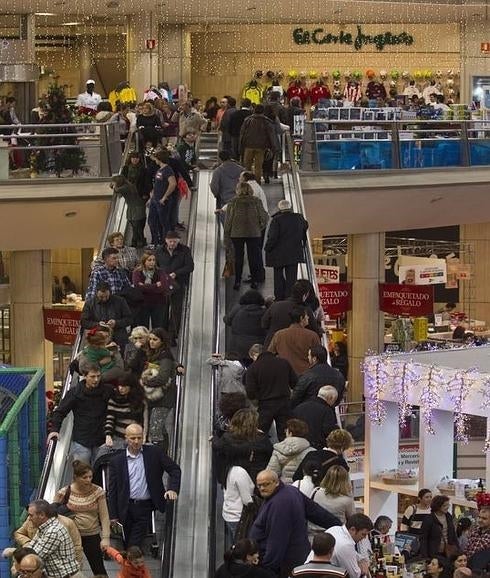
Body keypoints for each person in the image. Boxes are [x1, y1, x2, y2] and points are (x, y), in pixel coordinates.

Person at [249, 470, 341, 577]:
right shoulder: (291, 491)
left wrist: (266, 568)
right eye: (259, 485)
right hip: (297, 557)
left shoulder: (279, 504)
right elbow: (316, 512)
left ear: (277, 482)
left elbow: (277, 540)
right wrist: (338, 525)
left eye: (266, 484)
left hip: (284, 563)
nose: (262, 488)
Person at [108, 423, 181, 548]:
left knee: (134, 544)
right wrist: (113, 515)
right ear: (126, 438)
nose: (136, 441)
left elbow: (175, 469)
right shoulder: (117, 461)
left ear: (143, 437)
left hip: (145, 506)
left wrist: (172, 489)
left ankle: (132, 558)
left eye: (139, 438)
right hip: (126, 507)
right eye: (132, 438)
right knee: (127, 543)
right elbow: (113, 490)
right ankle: (131, 563)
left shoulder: (154, 453)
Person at [47, 364, 113, 464]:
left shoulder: (107, 391)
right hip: (82, 440)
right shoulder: (75, 393)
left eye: (98, 376)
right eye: (92, 376)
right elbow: (60, 411)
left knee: (99, 473)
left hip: (101, 439)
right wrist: (55, 429)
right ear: (85, 376)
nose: (96, 380)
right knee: (82, 473)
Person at [54, 460, 110, 576]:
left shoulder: (98, 491)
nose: (88, 480)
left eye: (90, 477)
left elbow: (104, 517)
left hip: (92, 535)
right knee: (71, 571)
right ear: (76, 477)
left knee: (98, 568)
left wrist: (105, 538)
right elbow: (53, 515)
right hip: (70, 537)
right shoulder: (64, 492)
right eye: (84, 477)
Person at [245, 343, 297, 440]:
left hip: (265, 405)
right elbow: (295, 382)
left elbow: (250, 393)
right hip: (284, 403)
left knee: (260, 434)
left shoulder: (253, 368)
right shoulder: (284, 363)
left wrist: (259, 396)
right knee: (286, 434)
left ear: (255, 354)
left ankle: (263, 454)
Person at [142, 327, 182, 449]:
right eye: (150, 339)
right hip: (154, 397)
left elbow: (163, 378)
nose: (151, 342)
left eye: (155, 339)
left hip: (164, 398)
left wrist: (144, 381)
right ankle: (163, 454)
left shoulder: (165, 356)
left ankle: (160, 456)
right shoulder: (153, 353)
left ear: (162, 341)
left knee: (155, 429)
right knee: (159, 428)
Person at [224, 181, 268, 291]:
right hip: (254, 233)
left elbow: (228, 220)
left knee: (238, 257)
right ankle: (254, 281)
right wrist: (260, 227)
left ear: (238, 190)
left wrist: (227, 234)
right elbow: (264, 217)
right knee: (253, 257)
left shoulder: (233, 202)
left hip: (237, 233)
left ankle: (237, 281)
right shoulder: (256, 201)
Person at [213, 408, 273, 488]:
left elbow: (219, 447)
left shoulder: (228, 439)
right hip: (256, 479)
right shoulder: (262, 440)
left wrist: (214, 439)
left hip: (234, 479)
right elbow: (270, 456)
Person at [24, 500, 83, 578]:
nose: (29, 519)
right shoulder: (43, 528)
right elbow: (31, 547)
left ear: (42, 515)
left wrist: (13, 552)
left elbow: (34, 557)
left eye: (31, 515)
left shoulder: (53, 531)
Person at [156, 230, 194, 342]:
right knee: (162, 309)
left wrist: (176, 273)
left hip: (178, 284)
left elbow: (190, 266)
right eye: (170, 241)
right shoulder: (159, 251)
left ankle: (172, 335)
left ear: (178, 241)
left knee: (176, 310)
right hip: (164, 284)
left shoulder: (185, 250)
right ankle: (161, 334)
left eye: (174, 241)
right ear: (166, 241)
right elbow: (155, 266)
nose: (172, 244)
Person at [261, 280, 320, 347]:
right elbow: (315, 331)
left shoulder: (276, 305)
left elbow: (264, 324)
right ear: (305, 295)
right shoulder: (306, 311)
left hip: (271, 347)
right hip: (292, 349)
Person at [13, 511, 83, 567]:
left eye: (31, 515)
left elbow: (77, 547)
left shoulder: (57, 529)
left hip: (59, 566)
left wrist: (77, 566)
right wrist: (27, 542)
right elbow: (18, 533)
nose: (30, 518)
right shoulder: (32, 520)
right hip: (39, 561)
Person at [268, 306, 321, 375]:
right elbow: (319, 355)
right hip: (306, 373)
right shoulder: (312, 335)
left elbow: (269, 353)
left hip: (284, 373)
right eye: (306, 316)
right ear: (301, 318)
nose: (308, 317)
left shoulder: (279, 334)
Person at [81, 281, 133, 350]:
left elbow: (129, 319)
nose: (104, 299)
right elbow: (84, 322)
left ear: (110, 292)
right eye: (101, 297)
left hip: (118, 337)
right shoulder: (90, 304)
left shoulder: (120, 301)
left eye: (106, 296)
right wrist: (97, 324)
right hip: (98, 339)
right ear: (96, 293)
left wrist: (116, 323)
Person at [105, 373, 147, 450]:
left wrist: (144, 438)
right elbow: (110, 419)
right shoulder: (114, 399)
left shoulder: (139, 401)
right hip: (118, 439)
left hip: (135, 439)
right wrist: (108, 435)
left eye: (124, 386)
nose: (121, 388)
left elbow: (144, 421)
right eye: (119, 385)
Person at [266, 418, 315, 484]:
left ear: (290, 433)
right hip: (303, 488)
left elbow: (271, 474)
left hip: (284, 489)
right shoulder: (312, 452)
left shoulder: (279, 450)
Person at [324, 514, 373, 578]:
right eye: (363, 534)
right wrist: (363, 568)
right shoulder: (346, 544)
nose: (364, 538)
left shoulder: (335, 528)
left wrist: (362, 560)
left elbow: (353, 554)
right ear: (353, 529)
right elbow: (354, 575)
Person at [240, 104, 279, 184]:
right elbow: (271, 135)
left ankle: (246, 183)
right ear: (263, 111)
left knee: (247, 166)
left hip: (248, 146)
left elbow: (242, 134)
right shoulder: (267, 121)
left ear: (254, 110)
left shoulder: (247, 120)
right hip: (261, 147)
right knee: (258, 167)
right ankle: (257, 183)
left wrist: (240, 146)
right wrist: (274, 148)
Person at [224, 290, 266, 361]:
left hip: (237, 348)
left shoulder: (238, 308)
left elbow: (228, 320)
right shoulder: (264, 312)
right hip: (257, 349)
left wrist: (225, 317)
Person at [293, 386, 339, 450]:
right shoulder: (327, 410)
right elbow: (328, 430)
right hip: (318, 448)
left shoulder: (299, 408)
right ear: (330, 398)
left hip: (299, 446)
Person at [148, 148, 177, 246]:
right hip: (155, 199)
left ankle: (166, 242)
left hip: (163, 201)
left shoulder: (168, 170)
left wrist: (165, 197)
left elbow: (173, 184)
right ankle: (155, 241)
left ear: (159, 159)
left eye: (156, 158)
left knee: (164, 223)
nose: (155, 160)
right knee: (152, 221)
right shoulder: (159, 169)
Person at [132, 252, 168, 329]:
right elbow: (138, 287)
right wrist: (155, 285)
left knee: (158, 328)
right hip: (142, 304)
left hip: (159, 303)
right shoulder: (137, 272)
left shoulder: (161, 272)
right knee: (143, 328)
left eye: (153, 260)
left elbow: (163, 287)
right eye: (149, 260)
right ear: (144, 261)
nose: (152, 262)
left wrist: (144, 286)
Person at [222, 464, 255, 548]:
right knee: (242, 550)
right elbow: (247, 500)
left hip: (229, 514)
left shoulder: (227, 470)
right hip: (240, 517)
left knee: (233, 547)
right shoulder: (239, 471)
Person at [112, 175, 147, 248]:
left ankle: (140, 242)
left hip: (135, 209)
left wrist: (113, 186)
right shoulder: (129, 185)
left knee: (136, 226)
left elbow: (117, 190)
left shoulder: (125, 187)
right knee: (136, 226)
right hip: (136, 207)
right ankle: (137, 242)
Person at [420, 495, 458, 559]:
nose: (447, 507)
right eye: (444, 505)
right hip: (434, 553)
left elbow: (453, 535)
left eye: (448, 505)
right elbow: (423, 539)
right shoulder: (429, 519)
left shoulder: (449, 517)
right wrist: (425, 556)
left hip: (448, 551)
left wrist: (458, 549)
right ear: (438, 506)